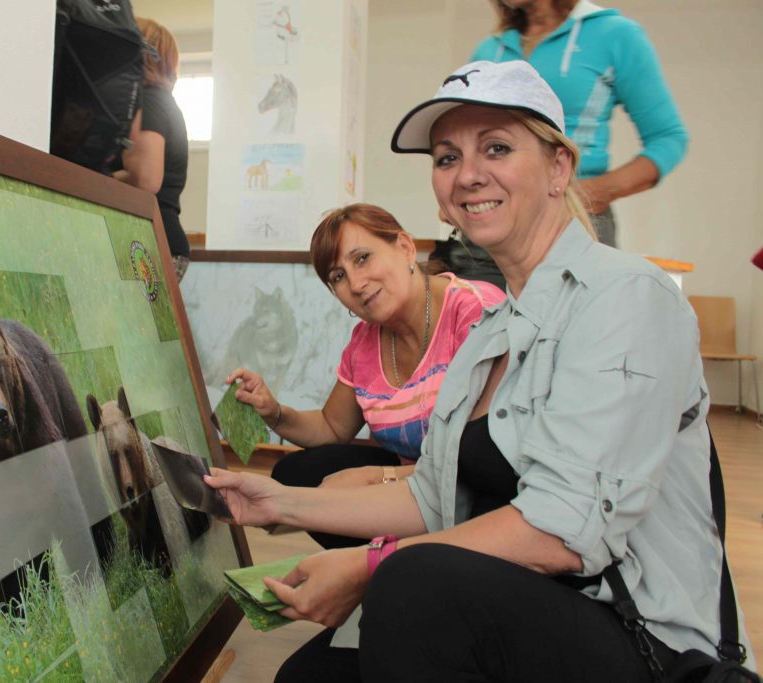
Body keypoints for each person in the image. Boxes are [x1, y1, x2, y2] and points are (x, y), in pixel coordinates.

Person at [207, 61, 755, 682]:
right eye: (446, 158)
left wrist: (368, 568)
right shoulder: (493, 333)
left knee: (412, 586)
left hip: (645, 639)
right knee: (307, 676)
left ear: (558, 167)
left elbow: (563, 531)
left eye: (496, 148)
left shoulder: (626, 295)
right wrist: (277, 500)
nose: (468, 175)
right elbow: (431, 494)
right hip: (531, 600)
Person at [227, 203, 504, 549]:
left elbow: (489, 458)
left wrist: (378, 477)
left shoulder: (475, 312)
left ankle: (395, 565)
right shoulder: (364, 341)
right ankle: (382, 563)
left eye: (362, 259)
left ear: (404, 247)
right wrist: (274, 411)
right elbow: (331, 427)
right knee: (296, 475)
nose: (356, 284)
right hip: (413, 480)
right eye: (338, 277)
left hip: (480, 489)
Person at [466, 0, 689, 249]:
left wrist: (596, 192)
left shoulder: (614, 35)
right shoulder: (489, 50)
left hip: (573, 221)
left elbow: (668, 137)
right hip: (491, 221)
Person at [113, 17, 192, 280]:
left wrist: (96, 180)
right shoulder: (165, 103)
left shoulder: (150, 102)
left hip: (151, 240)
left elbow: (146, 179)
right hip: (161, 239)